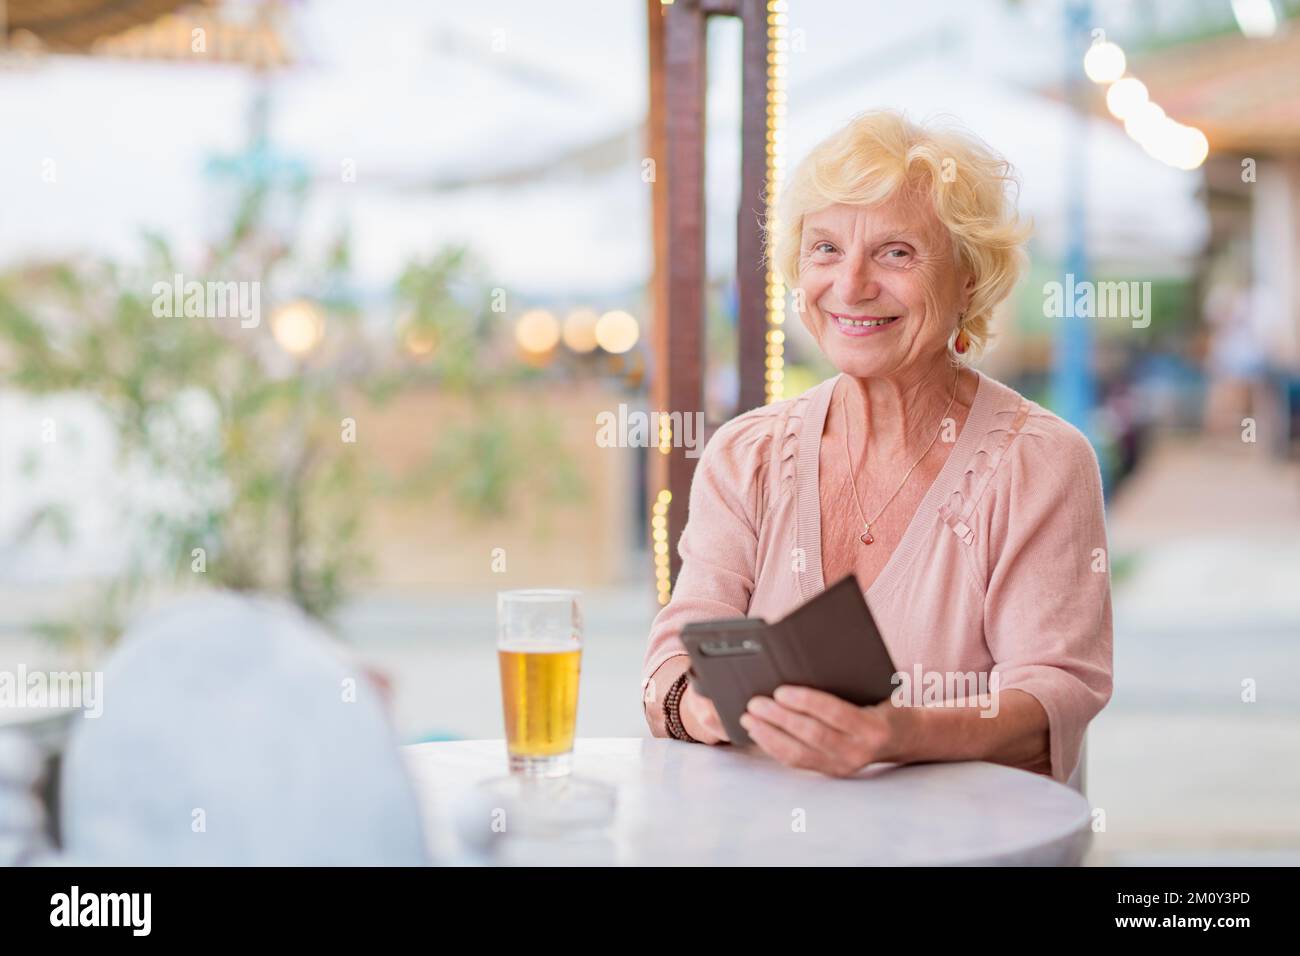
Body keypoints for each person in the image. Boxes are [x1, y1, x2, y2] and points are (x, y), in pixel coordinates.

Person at [642, 110, 1112, 785]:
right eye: (826, 249)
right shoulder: (744, 456)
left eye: (897, 252)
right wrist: (715, 709)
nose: (852, 284)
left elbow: (1052, 699)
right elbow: (669, 673)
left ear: (969, 281)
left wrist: (898, 733)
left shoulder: (1041, 461)